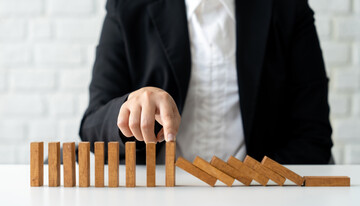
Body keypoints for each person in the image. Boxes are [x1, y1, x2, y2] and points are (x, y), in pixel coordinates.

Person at [79, 0, 333, 164]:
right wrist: (128, 108)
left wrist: (253, 184)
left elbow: (313, 138)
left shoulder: (286, 9)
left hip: (256, 202)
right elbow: (92, 125)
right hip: (156, 202)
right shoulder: (128, 7)